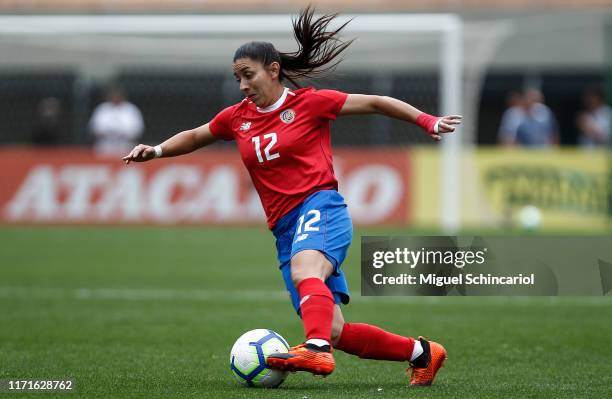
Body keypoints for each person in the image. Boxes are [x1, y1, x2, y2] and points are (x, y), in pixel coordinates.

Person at [123, 6, 461, 387]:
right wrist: (156, 151)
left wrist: (426, 120)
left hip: (320, 206)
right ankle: (422, 353)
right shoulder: (238, 117)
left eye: (248, 75)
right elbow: (197, 135)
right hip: (285, 229)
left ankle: (315, 348)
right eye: (237, 78)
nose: (242, 85)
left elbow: (377, 101)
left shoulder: (309, 104)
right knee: (335, 329)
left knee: (307, 276)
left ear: (273, 70)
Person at [89, 85, 144, 155]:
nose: (115, 97)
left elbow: (137, 130)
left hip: (125, 146)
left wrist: (120, 133)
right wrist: (110, 132)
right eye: (113, 95)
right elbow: (94, 129)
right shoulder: (102, 109)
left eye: (118, 95)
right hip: (105, 146)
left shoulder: (131, 109)